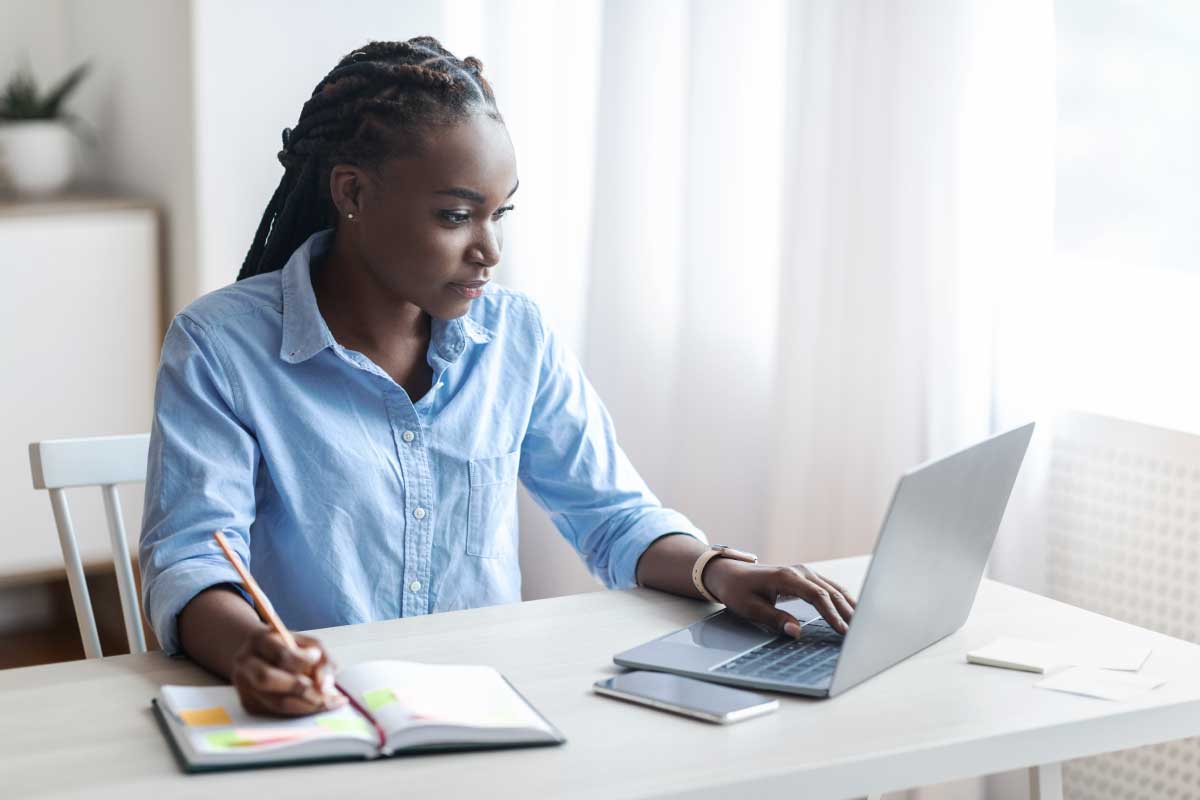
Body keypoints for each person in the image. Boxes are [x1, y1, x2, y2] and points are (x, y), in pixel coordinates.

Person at [139, 36, 856, 716]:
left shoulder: (516, 337)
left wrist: (718, 572)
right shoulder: (220, 346)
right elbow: (193, 558)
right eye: (456, 215)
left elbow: (613, 517)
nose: (489, 250)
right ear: (353, 192)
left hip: (484, 711)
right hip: (319, 713)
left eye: (499, 214)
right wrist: (251, 652)